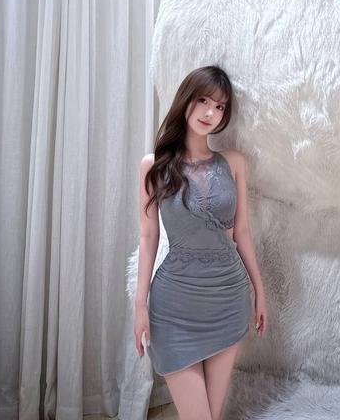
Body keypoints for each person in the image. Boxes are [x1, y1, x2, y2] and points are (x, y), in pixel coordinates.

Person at [134, 65, 267, 420]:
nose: (211, 113)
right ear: (186, 101)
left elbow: (241, 232)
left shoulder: (234, 163)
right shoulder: (154, 166)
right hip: (174, 307)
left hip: (228, 299)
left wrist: (260, 291)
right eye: (204, 101)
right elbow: (148, 236)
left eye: (220, 107)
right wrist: (140, 304)